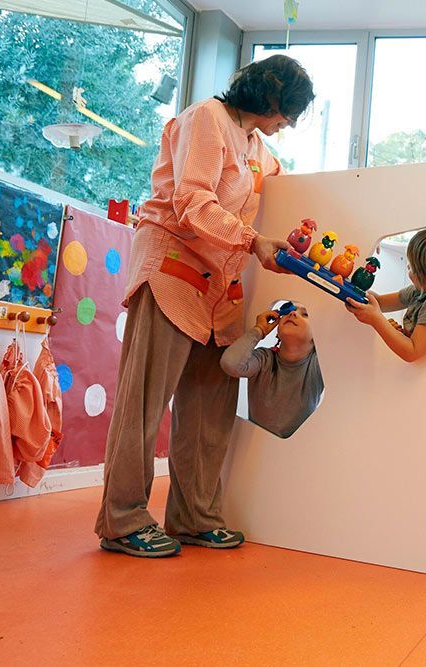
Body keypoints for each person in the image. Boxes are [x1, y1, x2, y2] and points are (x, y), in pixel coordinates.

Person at [94, 55, 314, 558]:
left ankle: (194, 516)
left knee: (210, 402)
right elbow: (192, 203)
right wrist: (254, 240)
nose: (289, 124)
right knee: (145, 402)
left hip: (219, 285)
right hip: (172, 267)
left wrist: (296, 235)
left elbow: (285, 187)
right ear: (271, 98)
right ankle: (122, 520)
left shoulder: (258, 147)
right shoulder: (206, 119)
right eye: (289, 112)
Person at [344, 228, 426, 363]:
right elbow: (381, 303)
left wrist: (376, 320)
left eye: (412, 266)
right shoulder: (420, 290)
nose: (407, 267)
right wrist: (355, 290)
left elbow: (412, 352)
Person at [220, 303, 323, 438]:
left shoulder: (318, 366)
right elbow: (230, 364)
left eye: (305, 314)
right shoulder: (265, 358)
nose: (293, 313)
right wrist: (259, 330)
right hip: (253, 441)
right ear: (277, 333)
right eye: (290, 311)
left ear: (317, 337)